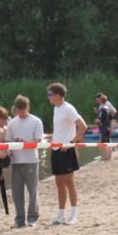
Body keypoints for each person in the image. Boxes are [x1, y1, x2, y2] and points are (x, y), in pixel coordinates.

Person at [47, 83, 87, 225]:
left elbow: (83, 126)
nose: (48, 97)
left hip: (67, 150)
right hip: (56, 149)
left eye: (50, 95)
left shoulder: (68, 108)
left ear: (58, 95)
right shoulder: (56, 109)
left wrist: (71, 142)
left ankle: (74, 215)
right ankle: (60, 215)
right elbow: (59, 129)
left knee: (69, 182)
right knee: (58, 183)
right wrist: (52, 142)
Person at [5, 95, 44, 227]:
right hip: (15, 161)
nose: (21, 114)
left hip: (31, 160)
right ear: (15, 109)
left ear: (28, 108)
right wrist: (10, 149)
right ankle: (19, 218)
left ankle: (32, 218)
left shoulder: (36, 121)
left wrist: (25, 143)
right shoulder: (12, 122)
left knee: (32, 190)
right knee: (16, 192)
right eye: (19, 111)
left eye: (23, 111)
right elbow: (7, 141)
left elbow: (38, 141)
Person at [95, 93, 114, 161]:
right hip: (108, 127)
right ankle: (109, 157)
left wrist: (96, 120)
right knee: (108, 142)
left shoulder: (102, 109)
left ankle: (105, 157)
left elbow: (99, 120)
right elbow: (111, 119)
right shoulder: (108, 109)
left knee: (104, 143)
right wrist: (111, 127)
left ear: (100, 100)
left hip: (103, 128)